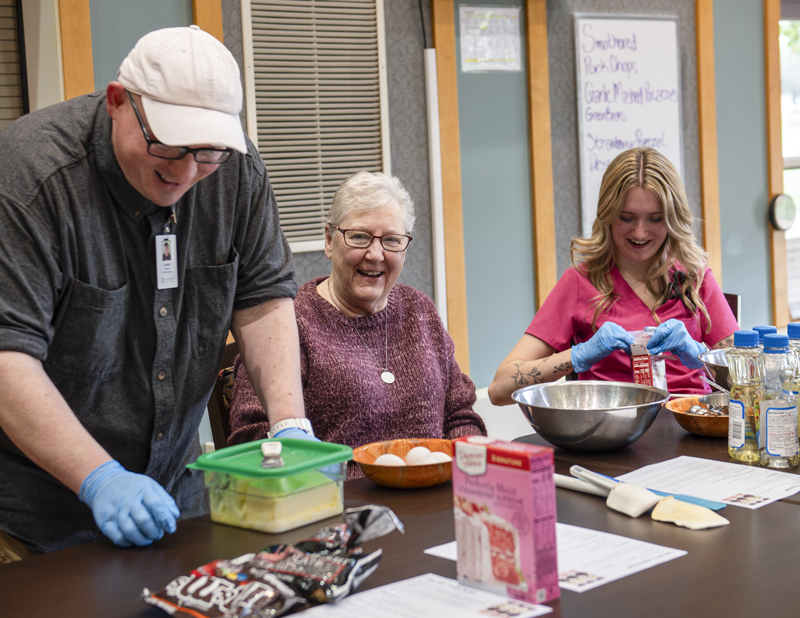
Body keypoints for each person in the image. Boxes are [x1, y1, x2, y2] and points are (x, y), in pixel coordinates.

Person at [0, 26, 315, 558]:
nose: (187, 172)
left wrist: (289, 423)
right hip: (35, 515)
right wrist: (99, 477)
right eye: (167, 144)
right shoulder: (32, 178)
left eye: (207, 154)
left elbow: (261, 299)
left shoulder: (234, 170)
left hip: (176, 493)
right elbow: (8, 356)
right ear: (118, 102)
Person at [229, 171, 486, 477]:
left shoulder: (419, 310)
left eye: (391, 240)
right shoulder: (288, 322)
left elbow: (460, 416)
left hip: (433, 499)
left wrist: (469, 477)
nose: (375, 254)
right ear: (329, 240)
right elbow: (253, 439)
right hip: (338, 507)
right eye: (359, 236)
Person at [488, 147, 738, 405]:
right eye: (626, 218)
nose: (639, 233)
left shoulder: (695, 280)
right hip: (612, 432)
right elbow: (499, 389)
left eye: (654, 219)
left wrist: (698, 354)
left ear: (672, 219)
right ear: (607, 215)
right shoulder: (580, 283)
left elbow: (746, 381)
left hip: (691, 430)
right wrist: (577, 356)